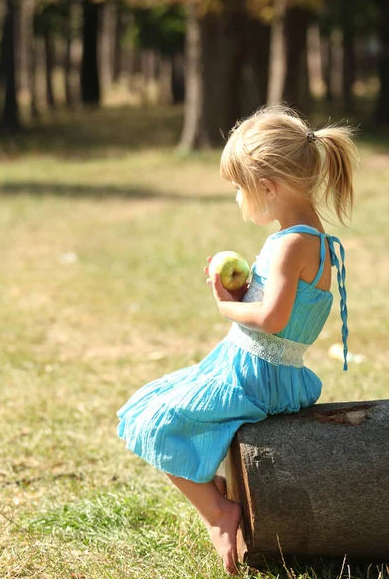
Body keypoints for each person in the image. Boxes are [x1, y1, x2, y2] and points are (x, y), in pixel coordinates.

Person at [117, 104, 358, 575]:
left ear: (266, 187)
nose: (237, 199)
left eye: (238, 189)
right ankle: (225, 493)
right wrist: (242, 289)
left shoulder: (292, 243)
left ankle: (219, 511)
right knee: (153, 402)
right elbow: (283, 309)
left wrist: (223, 304)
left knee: (153, 417)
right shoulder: (312, 240)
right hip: (265, 365)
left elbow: (269, 319)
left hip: (256, 370)